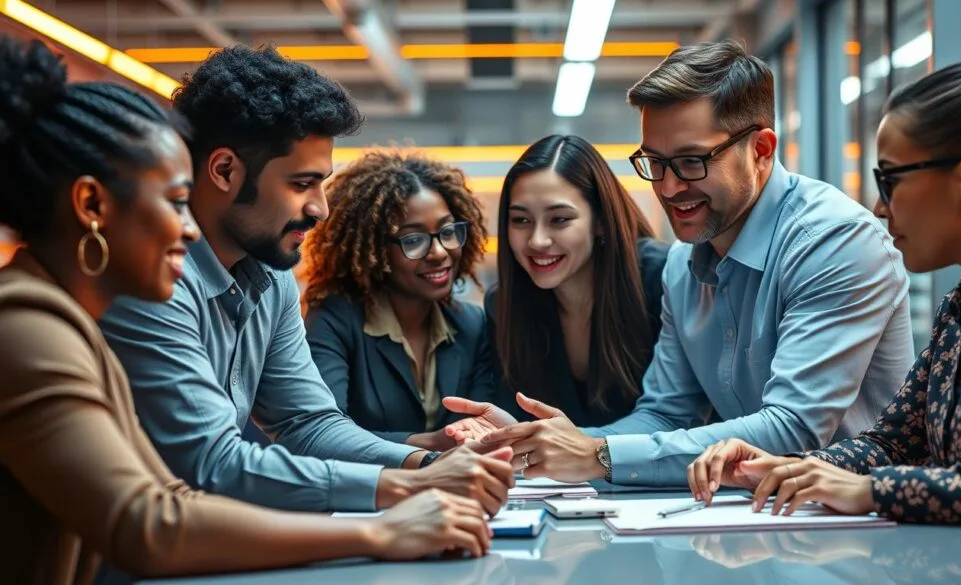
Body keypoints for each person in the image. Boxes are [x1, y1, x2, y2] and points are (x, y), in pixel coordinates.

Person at [0, 37, 492, 585]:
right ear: (92, 206)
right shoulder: (31, 324)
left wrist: (421, 468)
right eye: (172, 201)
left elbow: (294, 426)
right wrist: (387, 518)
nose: (187, 229)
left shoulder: (71, 316)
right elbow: (164, 510)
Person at [445, 39, 914, 485]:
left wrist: (598, 455)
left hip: (856, 525)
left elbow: (793, 429)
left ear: (762, 150)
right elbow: (667, 413)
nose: (668, 188)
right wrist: (544, 444)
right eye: (655, 162)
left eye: (692, 162)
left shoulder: (833, 242)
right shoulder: (683, 264)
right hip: (749, 521)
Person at [98, 45, 513, 516]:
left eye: (322, 183)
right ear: (224, 170)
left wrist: (425, 464)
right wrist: (403, 489)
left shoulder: (270, 280)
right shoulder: (153, 280)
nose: (321, 208)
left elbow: (307, 424)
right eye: (301, 184)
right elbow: (211, 464)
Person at [686, 10, 961, 535]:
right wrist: (789, 469)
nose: (879, 207)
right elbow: (889, 442)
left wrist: (870, 490)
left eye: (890, 181)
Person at [445, 135, 668, 432]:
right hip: (554, 478)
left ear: (600, 220)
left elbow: (675, 416)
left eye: (559, 219)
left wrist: (569, 445)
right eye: (521, 221)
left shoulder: (660, 278)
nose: (537, 240)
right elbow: (516, 416)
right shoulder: (505, 304)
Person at [302, 150, 495, 451]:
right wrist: (427, 445)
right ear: (376, 252)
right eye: (414, 240)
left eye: (447, 232)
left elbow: (484, 422)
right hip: (368, 493)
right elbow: (322, 435)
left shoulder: (473, 324)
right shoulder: (335, 319)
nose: (439, 252)